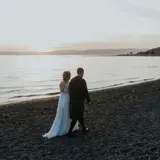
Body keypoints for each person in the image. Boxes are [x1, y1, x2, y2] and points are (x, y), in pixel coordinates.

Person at [43, 71, 79, 138]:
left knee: (67, 113)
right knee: (64, 112)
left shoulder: (66, 82)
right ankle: (64, 128)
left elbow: (66, 91)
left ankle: (68, 127)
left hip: (65, 98)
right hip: (65, 98)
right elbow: (63, 90)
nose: (70, 76)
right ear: (67, 76)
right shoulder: (64, 82)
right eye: (69, 75)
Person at [67, 67, 91, 137]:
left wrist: (70, 100)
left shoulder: (72, 80)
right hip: (80, 101)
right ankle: (69, 132)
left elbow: (70, 91)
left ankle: (84, 128)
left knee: (79, 115)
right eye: (83, 73)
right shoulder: (82, 81)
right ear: (82, 72)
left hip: (73, 100)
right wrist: (88, 100)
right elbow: (85, 91)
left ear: (77, 72)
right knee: (76, 116)